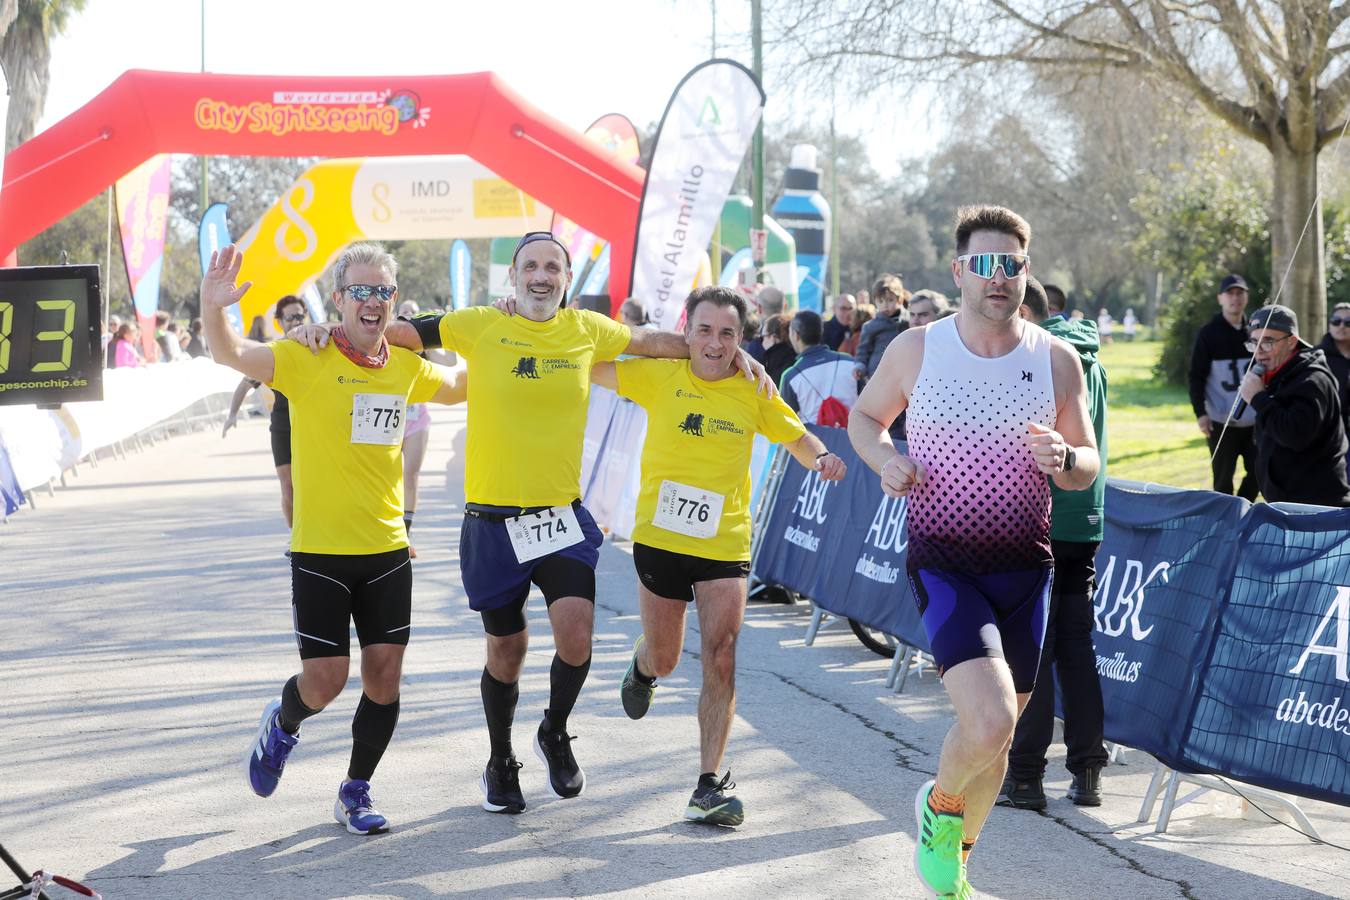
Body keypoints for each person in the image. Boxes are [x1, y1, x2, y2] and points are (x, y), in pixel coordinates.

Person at [309, 230, 772, 816]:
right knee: (506, 650)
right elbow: (399, 331)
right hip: (493, 522)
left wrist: (728, 351)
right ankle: (501, 760)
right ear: (513, 276)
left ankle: (554, 729)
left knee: (576, 637)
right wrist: (329, 331)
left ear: (566, 278)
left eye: (553, 266)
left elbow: (654, 343)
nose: (541, 275)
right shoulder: (479, 323)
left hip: (559, 518)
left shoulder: (586, 329)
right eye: (531, 265)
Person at [848, 205, 1099, 898]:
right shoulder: (918, 349)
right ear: (959, 271)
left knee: (1003, 737)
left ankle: (957, 859)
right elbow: (865, 419)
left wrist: (1067, 454)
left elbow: (1089, 464)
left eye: (1012, 264)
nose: (999, 277)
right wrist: (884, 458)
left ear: (1026, 271)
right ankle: (937, 808)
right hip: (946, 561)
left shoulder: (1055, 359)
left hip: (1028, 570)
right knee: (987, 720)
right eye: (984, 264)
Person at [202, 242, 465, 836]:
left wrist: (510, 331)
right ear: (340, 298)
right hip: (320, 552)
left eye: (383, 291)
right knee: (325, 681)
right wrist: (213, 306)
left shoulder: (405, 366)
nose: (372, 302)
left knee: (384, 677)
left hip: (387, 551)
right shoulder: (305, 357)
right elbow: (230, 353)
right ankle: (283, 722)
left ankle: (355, 789)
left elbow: (463, 385)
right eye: (361, 290)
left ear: (393, 301)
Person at [589, 286, 846, 826]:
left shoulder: (753, 390)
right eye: (703, 330)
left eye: (728, 333)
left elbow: (795, 436)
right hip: (660, 539)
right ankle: (644, 664)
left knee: (722, 653)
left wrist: (821, 458)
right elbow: (588, 362)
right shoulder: (658, 376)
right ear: (687, 331)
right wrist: (655, 347)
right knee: (665, 657)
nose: (714, 342)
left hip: (724, 543)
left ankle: (709, 783)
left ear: (742, 339)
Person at [1002, 277, 1109, 811]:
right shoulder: (1092, 356)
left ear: (1026, 311)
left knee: (1034, 651)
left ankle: (1024, 776)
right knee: (1075, 645)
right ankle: (1088, 769)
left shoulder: (1043, 359)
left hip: (1040, 516)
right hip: (1085, 519)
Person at [1239, 304, 1350, 507]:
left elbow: (1294, 435)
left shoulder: (1312, 380)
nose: (1259, 352)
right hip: (1286, 504)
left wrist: (1257, 398)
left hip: (1317, 508)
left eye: (1268, 342)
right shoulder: (1273, 375)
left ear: (1291, 341)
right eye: (1254, 343)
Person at [223, 296, 310, 530]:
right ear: (280, 322)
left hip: (312, 425)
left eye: (300, 316)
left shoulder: (318, 347)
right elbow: (245, 384)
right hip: (283, 425)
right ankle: (296, 539)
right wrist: (232, 414)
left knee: (313, 485)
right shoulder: (274, 353)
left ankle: (316, 536)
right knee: (288, 486)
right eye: (290, 317)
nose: (295, 322)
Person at [1188, 274, 1258, 500]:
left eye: (1240, 293)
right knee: (1222, 480)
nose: (1235, 298)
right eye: (1230, 293)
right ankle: (1226, 525)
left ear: (1246, 297)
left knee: (1259, 473)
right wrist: (1201, 413)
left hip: (1255, 421)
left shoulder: (1257, 331)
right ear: (1220, 298)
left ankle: (1243, 512)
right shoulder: (1208, 333)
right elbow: (1196, 376)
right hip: (1221, 420)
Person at [780, 310, 857, 426]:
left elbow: (786, 423)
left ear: (796, 335)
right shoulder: (851, 363)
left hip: (814, 441)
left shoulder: (791, 377)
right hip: (854, 439)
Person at [854, 274, 908, 385]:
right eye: (881, 301)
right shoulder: (870, 326)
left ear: (899, 300)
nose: (885, 305)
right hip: (877, 374)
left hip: (904, 372)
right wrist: (860, 366)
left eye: (890, 300)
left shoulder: (908, 321)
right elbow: (863, 351)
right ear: (875, 301)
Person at [1318, 302, 1350, 426]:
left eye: (1348, 322)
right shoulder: (1314, 356)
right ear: (1329, 324)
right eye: (1336, 321)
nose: (1341, 326)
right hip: (1326, 429)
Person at [758, 313, 796, 388]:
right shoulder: (795, 357)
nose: (762, 342)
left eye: (763, 337)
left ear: (773, 337)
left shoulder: (775, 365)